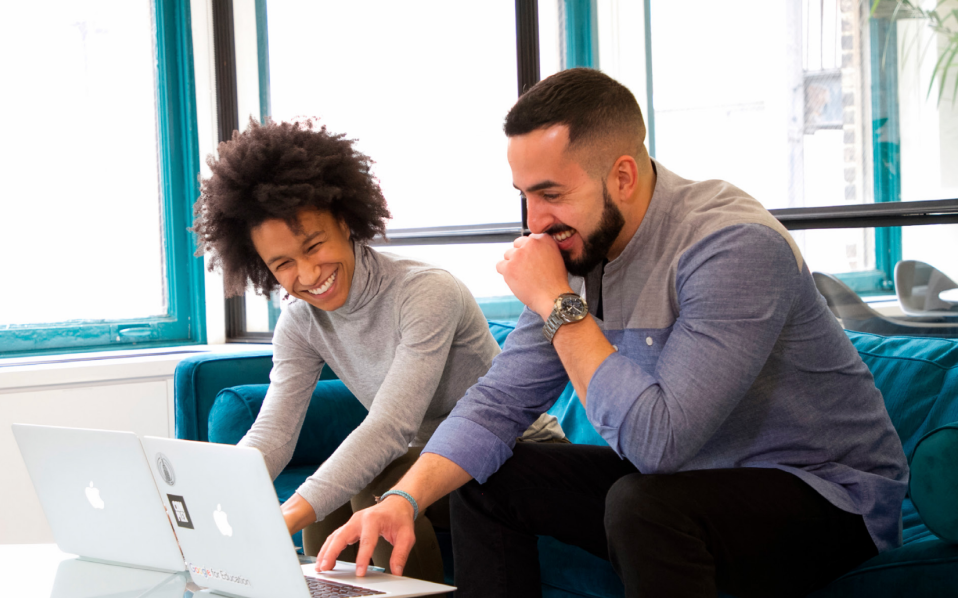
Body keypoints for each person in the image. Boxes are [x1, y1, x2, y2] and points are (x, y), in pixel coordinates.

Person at [314, 68, 909, 598]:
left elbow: (659, 444)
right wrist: (404, 499)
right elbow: (496, 404)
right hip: (684, 485)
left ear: (623, 175)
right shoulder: (580, 248)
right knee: (488, 478)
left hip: (827, 500)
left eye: (551, 194)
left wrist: (554, 300)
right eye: (524, 196)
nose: (534, 222)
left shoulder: (732, 245)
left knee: (643, 506)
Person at [191, 118, 563, 584]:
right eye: (283, 263)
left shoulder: (425, 292)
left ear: (345, 222)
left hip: (518, 453)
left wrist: (283, 517)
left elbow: (391, 427)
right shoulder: (300, 322)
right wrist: (210, 498)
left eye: (314, 245)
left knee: (369, 485)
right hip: (426, 462)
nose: (307, 274)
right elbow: (273, 435)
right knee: (329, 515)